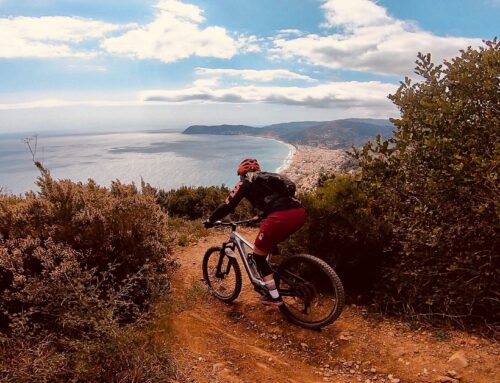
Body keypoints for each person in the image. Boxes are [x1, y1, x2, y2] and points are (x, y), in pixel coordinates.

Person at [203, 158, 307, 306]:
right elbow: (276, 201)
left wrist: (211, 220)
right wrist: (260, 216)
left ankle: (274, 296)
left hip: (281, 217)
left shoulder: (245, 182)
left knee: (258, 257)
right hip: (299, 213)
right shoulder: (267, 180)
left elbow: (228, 205)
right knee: (270, 241)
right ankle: (274, 272)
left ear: (241, 173)